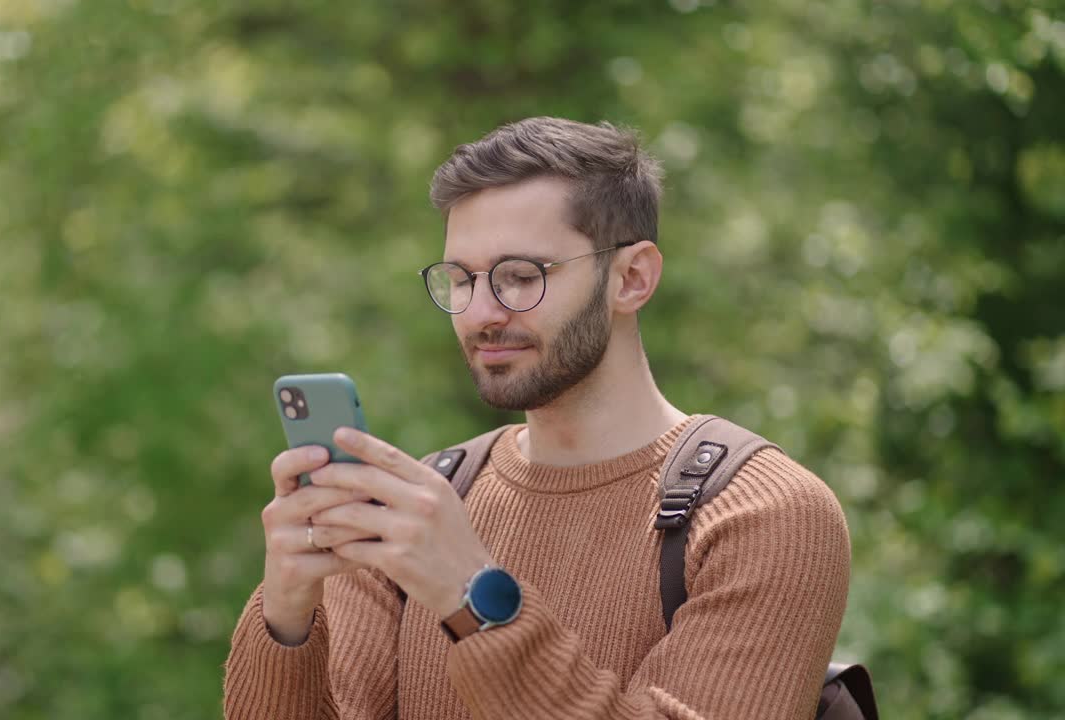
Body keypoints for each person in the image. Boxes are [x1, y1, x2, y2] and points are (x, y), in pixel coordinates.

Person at [223, 117, 850, 720]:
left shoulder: (764, 516)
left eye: (520, 276)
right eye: (461, 280)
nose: (481, 312)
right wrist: (286, 614)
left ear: (632, 277)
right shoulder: (423, 508)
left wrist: (473, 598)